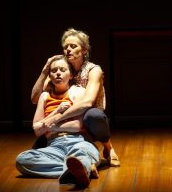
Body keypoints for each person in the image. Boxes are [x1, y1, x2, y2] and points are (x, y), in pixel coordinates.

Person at [31, 28, 120, 166]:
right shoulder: (62, 70)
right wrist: (45, 71)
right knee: (31, 156)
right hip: (65, 121)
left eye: (73, 46)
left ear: (84, 50)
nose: (68, 50)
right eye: (65, 47)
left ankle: (108, 147)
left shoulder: (93, 70)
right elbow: (35, 99)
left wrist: (56, 118)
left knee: (94, 115)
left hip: (86, 116)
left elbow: (88, 102)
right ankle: (72, 165)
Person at [16, 57, 100, 187]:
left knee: (82, 154)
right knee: (22, 160)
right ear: (50, 75)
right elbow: (37, 130)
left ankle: (80, 167)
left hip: (78, 141)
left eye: (62, 70)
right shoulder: (44, 96)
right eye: (54, 71)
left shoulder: (78, 92)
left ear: (71, 74)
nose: (58, 73)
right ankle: (81, 170)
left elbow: (76, 126)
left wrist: (49, 125)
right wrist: (56, 112)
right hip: (54, 145)